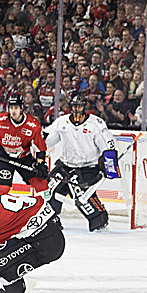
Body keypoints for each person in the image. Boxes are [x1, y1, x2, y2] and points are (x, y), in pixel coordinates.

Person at [43, 93, 119, 232]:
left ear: (85, 107)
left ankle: (99, 223)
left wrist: (109, 166)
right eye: (74, 106)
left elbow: (108, 145)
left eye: (79, 107)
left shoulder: (96, 124)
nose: (77, 109)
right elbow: (48, 138)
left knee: (83, 200)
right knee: (48, 191)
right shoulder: (62, 121)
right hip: (65, 166)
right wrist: (34, 140)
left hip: (87, 168)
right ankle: (50, 221)